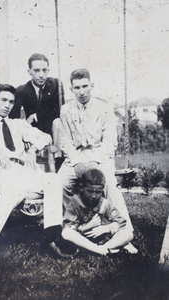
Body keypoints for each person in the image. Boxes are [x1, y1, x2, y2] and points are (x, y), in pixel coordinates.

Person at [0, 84, 65, 260]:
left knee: (53, 179)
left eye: (11, 102)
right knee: (16, 188)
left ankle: (50, 238)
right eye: (3, 100)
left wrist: (33, 150)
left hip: (20, 169)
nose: (7, 105)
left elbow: (45, 137)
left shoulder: (18, 125)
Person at [58, 68, 137, 253]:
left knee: (108, 182)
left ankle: (123, 233)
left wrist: (94, 160)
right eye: (77, 87)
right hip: (75, 156)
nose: (82, 91)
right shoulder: (66, 110)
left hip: (100, 155)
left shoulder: (104, 108)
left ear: (91, 85)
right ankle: (76, 227)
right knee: (61, 182)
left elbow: (110, 141)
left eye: (85, 86)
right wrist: (77, 161)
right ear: (71, 89)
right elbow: (65, 140)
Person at [9, 53, 65, 171]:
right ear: (29, 71)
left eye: (44, 70)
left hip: (53, 132)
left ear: (48, 70)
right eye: (37, 70)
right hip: (33, 134)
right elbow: (13, 118)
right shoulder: (21, 90)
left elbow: (61, 112)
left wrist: (37, 115)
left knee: (59, 122)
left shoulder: (56, 85)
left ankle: (59, 162)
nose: (41, 75)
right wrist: (24, 123)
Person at [62, 168, 134, 255]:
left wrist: (106, 228)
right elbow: (69, 226)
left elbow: (120, 222)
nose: (94, 196)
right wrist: (87, 227)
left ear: (102, 190)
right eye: (90, 191)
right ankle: (103, 250)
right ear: (81, 188)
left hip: (105, 238)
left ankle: (101, 249)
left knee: (128, 233)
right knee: (66, 233)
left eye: (98, 192)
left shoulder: (104, 203)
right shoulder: (75, 203)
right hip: (84, 239)